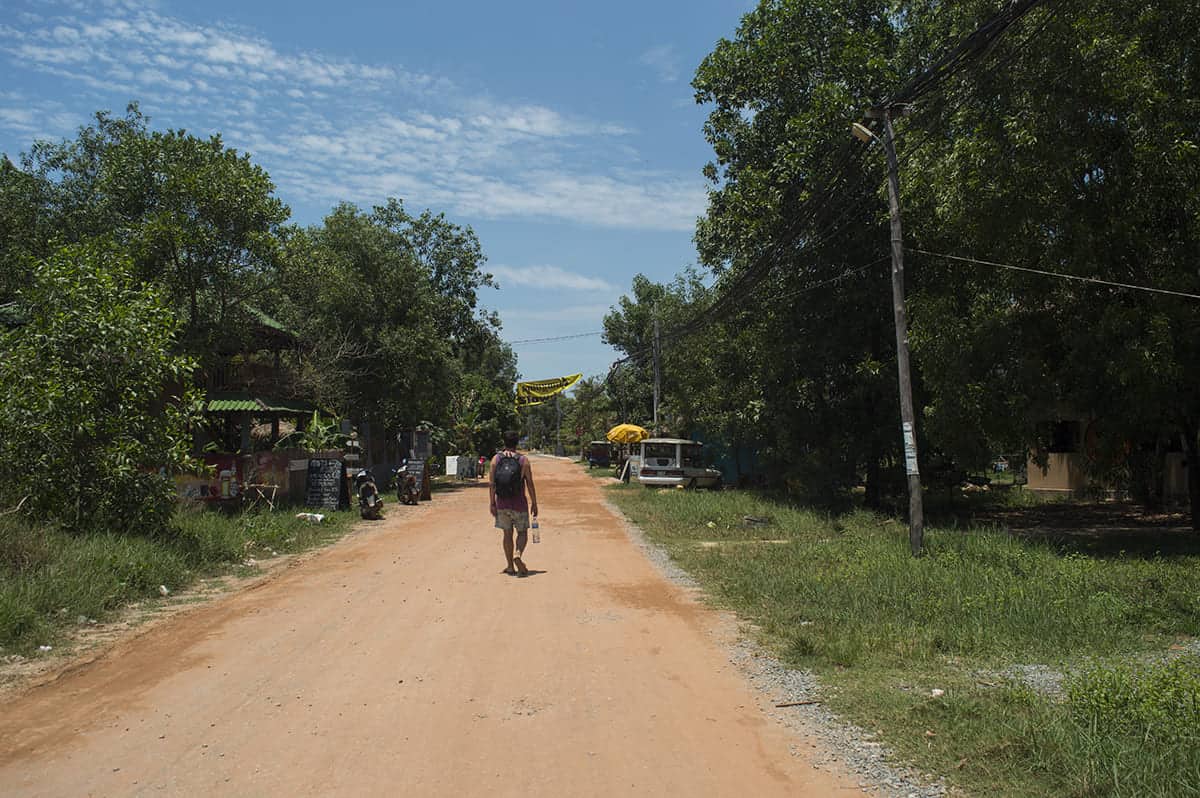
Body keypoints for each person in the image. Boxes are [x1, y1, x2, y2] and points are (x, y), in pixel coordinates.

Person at [489, 430, 538, 576]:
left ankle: (510, 566)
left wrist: (492, 503)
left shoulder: (495, 460)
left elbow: (492, 484)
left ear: (503, 442)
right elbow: (529, 483)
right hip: (519, 504)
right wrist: (534, 503)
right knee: (522, 532)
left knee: (507, 534)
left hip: (502, 504)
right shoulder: (523, 460)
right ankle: (518, 553)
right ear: (517, 443)